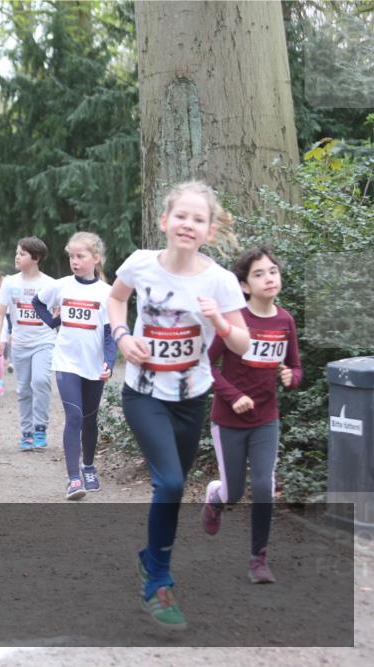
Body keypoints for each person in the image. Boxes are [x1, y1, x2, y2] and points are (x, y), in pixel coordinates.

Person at [108, 180, 249, 630]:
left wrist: (219, 322)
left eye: (199, 219)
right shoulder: (140, 264)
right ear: (165, 221)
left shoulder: (221, 281)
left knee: (174, 485)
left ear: (209, 231)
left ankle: (150, 558)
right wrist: (122, 336)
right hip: (144, 393)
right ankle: (160, 582)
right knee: (169, 484)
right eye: (181, 216)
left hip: (192, 398)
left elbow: (244, 344)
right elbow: (116, 299)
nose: (189, 224)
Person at [201, 246, 302, 583]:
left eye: (273, 271)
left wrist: (292, 376)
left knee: (263, 486)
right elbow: (206, 365)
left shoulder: (285, 320)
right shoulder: (234, 321)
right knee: (234, 493)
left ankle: (258, 559)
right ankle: (216, 497)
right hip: (228, 421)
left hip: (266, 420)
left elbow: (294, 366)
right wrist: (233, 396)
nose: (269, 278)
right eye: (259, 274)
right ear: (244, 285)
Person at [33, 232, 115, 500]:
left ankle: (88, 466)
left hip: (93, 366)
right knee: (75, 417)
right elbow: (37, 302)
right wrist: (53, 322)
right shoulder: (61, 286)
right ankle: (73, 479)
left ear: (96, 258)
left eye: (80, 256)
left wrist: (109, 362)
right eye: (71, 256)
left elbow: (110, 333)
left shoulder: (106, 293)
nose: (75, 261)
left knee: (90, 420)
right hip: (66, 362)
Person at [0, 237, 57, 451]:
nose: (17, 257)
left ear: (36, 258)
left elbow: (58, 311)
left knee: (40, 381)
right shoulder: (10, 282)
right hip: (19, 343)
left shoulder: (49, 284)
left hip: (44, 341)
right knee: (23, 389)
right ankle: (27, 433)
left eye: (22, 254)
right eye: (17, 252)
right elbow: (0, 312)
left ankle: (40, 428)